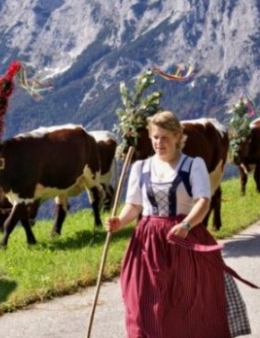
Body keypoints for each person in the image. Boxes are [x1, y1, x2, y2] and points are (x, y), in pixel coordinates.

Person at [105, 110, 253, 337]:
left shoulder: (193, 166)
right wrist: (119, 222)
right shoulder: (140, 168)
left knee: (184, 305)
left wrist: (186, 225)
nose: (159, 142)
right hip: (147, 243)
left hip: (184, 240)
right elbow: (134, 206)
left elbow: (203, 201)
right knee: (141, 301)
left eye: (164, 137)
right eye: (155, 137)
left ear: (178, 137)